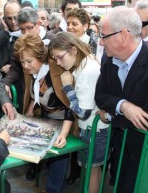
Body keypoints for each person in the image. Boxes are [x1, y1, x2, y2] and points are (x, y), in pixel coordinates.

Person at [95, 6, 148, 192]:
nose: (100, 42)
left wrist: (111, 116)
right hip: (121, 150)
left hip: (146, 154)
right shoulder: (109, 58)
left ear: (123, 35)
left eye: (104, 35)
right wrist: (124, 106)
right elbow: (100, 95)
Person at [48, 32, 109, 193]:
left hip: (94, 131)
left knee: (91, 172)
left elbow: (83, 112)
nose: (59, 63)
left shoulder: (88, 71)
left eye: (60, 57)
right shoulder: (86, 63)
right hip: (95, 129)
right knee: (94, 171)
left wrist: (67, 87)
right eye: (56, 59)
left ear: (74, 50)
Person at [14, 34, 74, 193]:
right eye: (22, 62)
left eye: (29, 61)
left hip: (66, 121)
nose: (25, 66)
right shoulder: (32, 72)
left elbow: (71, 105)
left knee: (58, 159)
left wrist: (64, 132)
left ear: (41, 57)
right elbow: (34, 96)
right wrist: (28, 114)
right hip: (47, 119)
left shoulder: (56, 72)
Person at [0, 0, 21, 75]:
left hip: (19, 75)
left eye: (16, 17)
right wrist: (5, 32)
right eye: (9, 18)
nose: (13, 22)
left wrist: (13, 66)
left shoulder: (25, 29)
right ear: (4, 17)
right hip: (0, 75)